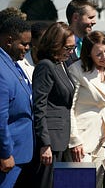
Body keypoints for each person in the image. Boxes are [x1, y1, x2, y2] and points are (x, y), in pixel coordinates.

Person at [68, 31, 105, 188]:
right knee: (81, 184)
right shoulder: (76, 70)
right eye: (99, 54)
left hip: (101, 138)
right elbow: (70, 108)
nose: (104, 57)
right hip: (81, 139)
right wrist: (74, 141)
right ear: (89, 54)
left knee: (98, 183)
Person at [32, 22, 75, 188]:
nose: (71, 52)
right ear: (56, 45)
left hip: (62, 138)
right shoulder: (46, 66)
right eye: (67, 48)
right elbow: (39, 106)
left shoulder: (61, 63)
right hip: (51, 141)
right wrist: (45, 144)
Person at [0, 17, 33, 187]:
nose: (27, 49)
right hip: (8, 157)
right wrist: (5, 153)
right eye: (24, 44)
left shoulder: (12, 63)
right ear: (9, 41)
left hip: (21, 154)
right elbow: (0, 117)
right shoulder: (1, 68)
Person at [65, 0, 97, 66]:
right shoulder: (61, 44)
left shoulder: (95, 44)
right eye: (90, 18)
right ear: (76, 17)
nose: (94, 22)